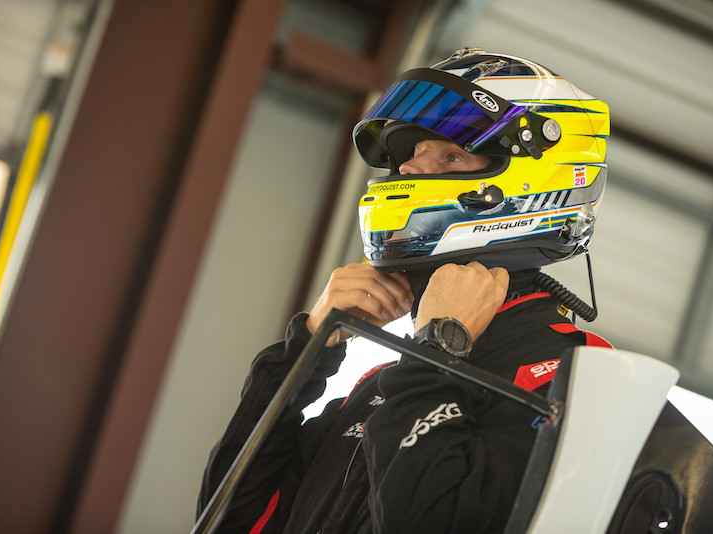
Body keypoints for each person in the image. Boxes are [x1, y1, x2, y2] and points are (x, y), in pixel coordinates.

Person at [197, 47, 611, 533]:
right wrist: (307, 350)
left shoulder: (580, 378)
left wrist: (438, 350)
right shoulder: (381, 387)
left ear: (535, 184)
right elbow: (228, 519)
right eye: (411, 156)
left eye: (451, 156)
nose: (410, 170)